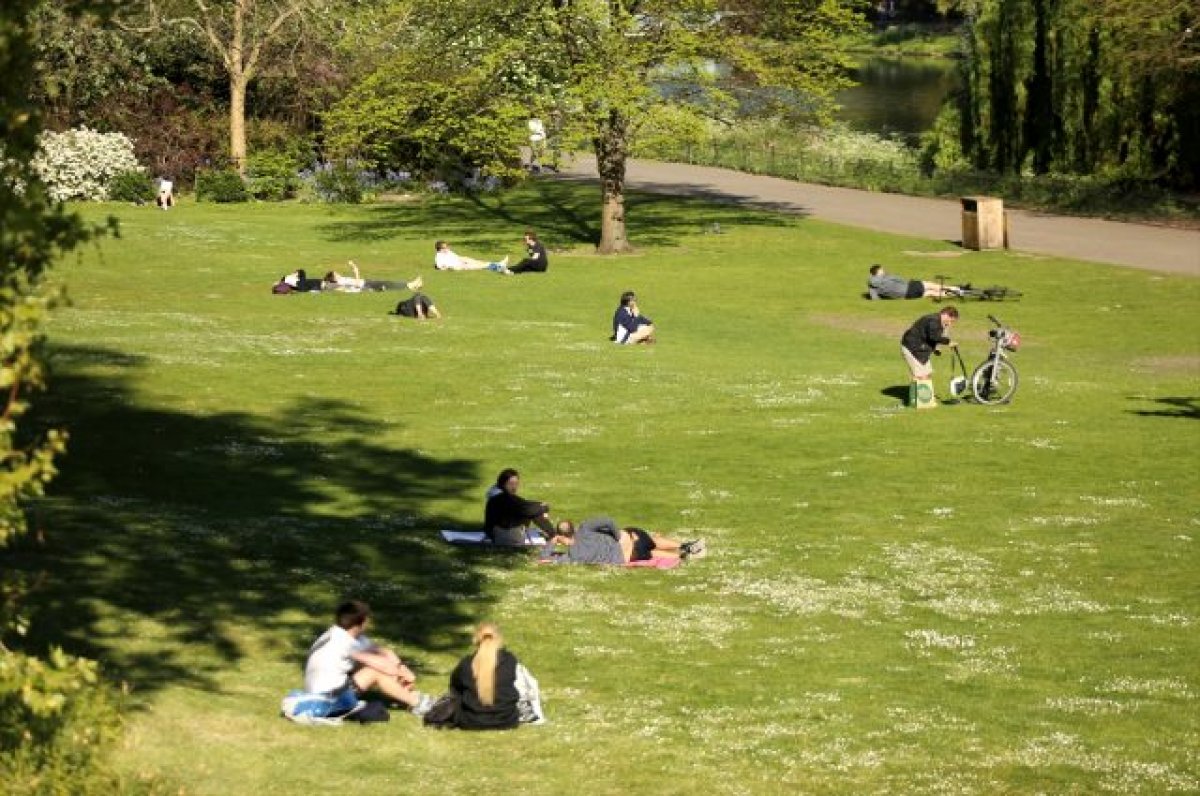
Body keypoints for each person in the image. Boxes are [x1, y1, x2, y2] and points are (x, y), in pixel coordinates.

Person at [304, 599, 434, 716]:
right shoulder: (343, 642)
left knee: (371, 665)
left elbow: (384, 652)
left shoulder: (341, 633)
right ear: (360, 623)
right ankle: (418, 703)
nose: (369, 624)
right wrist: (403, 674)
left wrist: (402, 668)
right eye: (367, 620)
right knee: (375, 671)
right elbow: (385, 666)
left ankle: (404, 697)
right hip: (327, 701)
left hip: (322, 693)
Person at [447, 623, 531, 730]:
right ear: (499, 639)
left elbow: (454, 687)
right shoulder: (510, 660)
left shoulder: (466, 663)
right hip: (506, 720)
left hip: (471, 721)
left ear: (475, 640)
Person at [547, 517, 706, 565]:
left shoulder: (573, 556)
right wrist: (619, 537)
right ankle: (686, 546)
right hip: (631, 536)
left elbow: (545, 558)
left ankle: (685, 556)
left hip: (629, 555)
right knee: (652, 540)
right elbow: (608, 521)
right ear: (572, 528)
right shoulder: (585, 527)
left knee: (650, 553)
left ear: (560, 536)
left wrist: (552, 542)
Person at [483, 469, 555, 544]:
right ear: (503, 483)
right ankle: (553, 535)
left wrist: (540, 505)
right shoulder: (503, 498)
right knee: (533, 512)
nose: (514, 487)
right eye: (511, 483)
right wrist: (544, 507)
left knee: (533, 510)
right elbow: (526, 508)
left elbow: (524, 504)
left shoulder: (502, 495)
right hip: (502, 535)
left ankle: (553, 534)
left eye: (516, 483)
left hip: (498, 531)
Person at [901, 305, 959, 382]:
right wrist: (949, 342)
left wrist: (936, 348)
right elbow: (933, 337)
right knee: (920, 376)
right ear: (946, 314)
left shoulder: (939, 322)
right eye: (951, 321)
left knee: (927, 374)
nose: (950, 324)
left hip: (920, 350)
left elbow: (932, 336)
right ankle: (922, 394)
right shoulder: (933, 320)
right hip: (912, 349)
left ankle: (927, 394)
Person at [867, 265, 963, 300]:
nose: (883, 271)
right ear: (878, 272)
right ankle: (955, 289)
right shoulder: (886, 277)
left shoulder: (872, 286)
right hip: (909, 287)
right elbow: (901, 280)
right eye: (882, 270)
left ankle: (954, 294)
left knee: (930, 293)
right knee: (931, 285)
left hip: (907, 296)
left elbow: (875, 299)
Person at [324, 261, 424, 293]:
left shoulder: (340, 281)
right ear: (333, 278)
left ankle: (412, 285)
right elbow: (357, 284)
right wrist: (355, 268)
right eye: (335, 274)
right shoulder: (340, 282)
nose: (338, 273)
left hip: (366, 283)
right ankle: (411, 285)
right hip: (365, 284)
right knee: (389, 284)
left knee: (388, 284)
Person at [434, 240, 511, 273]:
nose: (447, 248)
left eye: (447, 246)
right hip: (460, 266)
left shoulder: (448, 252)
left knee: (480, 263)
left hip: (462, 261)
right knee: (480, 266)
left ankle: (499, 266)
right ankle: (499, 265)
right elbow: (441, 267)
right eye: (445, 248)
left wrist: (464, 259)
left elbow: (457, 257)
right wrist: (453, 267)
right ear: (439, 249)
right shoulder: (439, 257)